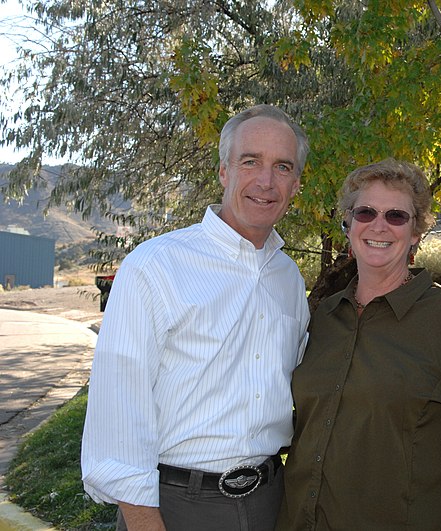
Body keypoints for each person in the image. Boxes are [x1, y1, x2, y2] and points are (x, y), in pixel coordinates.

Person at [81, 104, 311, 531]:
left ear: (296, 184)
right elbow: (119, 410)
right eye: (250, 161)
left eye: (282, 167)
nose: (266, 181)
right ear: (224, 171)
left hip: (271, 502)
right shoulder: (155, 267)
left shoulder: (287, 278)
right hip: (175, 508)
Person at [279, 158, 441, 530]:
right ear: (348, 224)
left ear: (415, 232)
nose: (379, 226)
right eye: (365, 212)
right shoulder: (326, 317)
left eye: (397, 216)